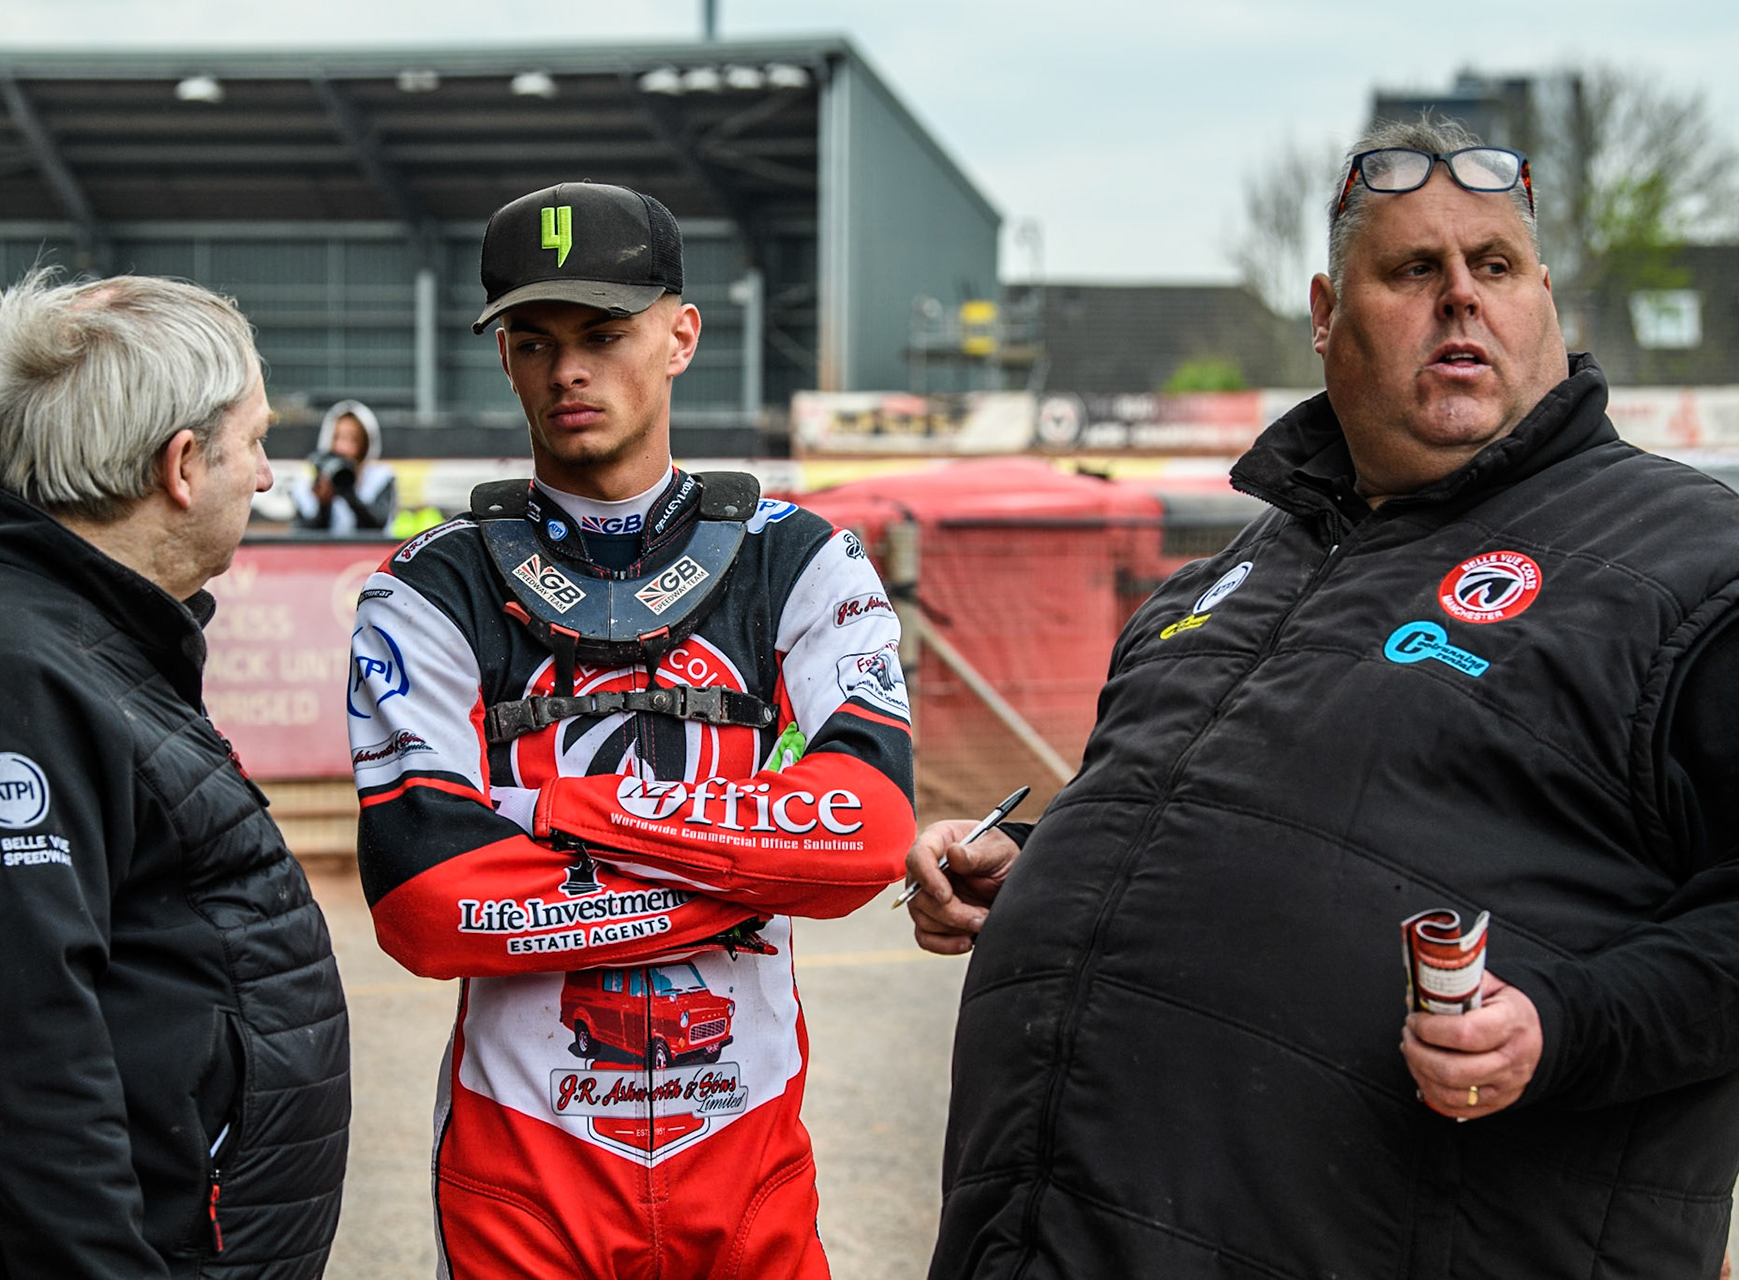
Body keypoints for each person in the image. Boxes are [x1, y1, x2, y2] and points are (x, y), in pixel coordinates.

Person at [904, 118, 1739, 1278]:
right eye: (1410, 270)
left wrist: (1568, 1027)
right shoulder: (1225, 577)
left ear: (1546, 298)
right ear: (1325, 315)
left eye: (1493, 266)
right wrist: (1039, 862)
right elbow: (1277, 836)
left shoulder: (1697, 564)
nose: (1459, 297)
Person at [349, 181, 916, 1278]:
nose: (570, 370)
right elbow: (426, 903)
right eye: (535, 338)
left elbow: (868, 830)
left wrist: (554, 814)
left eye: (604, 333)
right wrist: (753, 873)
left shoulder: (801, 558)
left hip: (745, 1149)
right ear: (506, 356)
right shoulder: (425, 588)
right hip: (524, 1162)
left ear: (680, 334)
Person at [0, 270, 351, 1278]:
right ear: (179, 463)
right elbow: (29, 1052)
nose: (262, 476)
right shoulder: (7, 675)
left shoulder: (76, 641)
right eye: (254, 441)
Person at [290, 397, 396, 533]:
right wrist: (324, 505)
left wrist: (348, 493)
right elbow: (305, 538)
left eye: (353, 440)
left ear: (366, 445)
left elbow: (377, 528)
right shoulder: (305, 488)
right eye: (337, 437)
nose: (343, 448)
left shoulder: (381, 479)